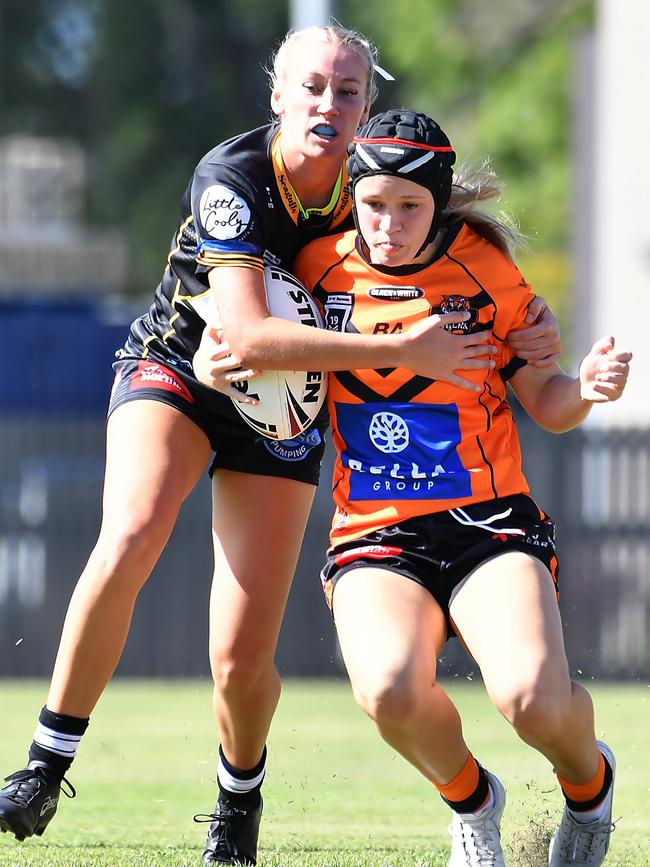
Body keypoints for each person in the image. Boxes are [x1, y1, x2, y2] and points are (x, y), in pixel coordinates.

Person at [0, 26, 559, 867]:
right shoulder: (232, 177)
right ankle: (46, 763)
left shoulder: (375, 185)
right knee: (133, 531)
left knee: (240, 649)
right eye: (311, 87)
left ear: (369, 105)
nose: (327, 105)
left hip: (288, 403)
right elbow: (251, 336)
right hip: (184, 369)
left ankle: (237, 802)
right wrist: (401, 351)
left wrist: (531, 323)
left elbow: (450, 252)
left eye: (346, 91)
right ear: (276, 95)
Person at [283, 110, 627, 867]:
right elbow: (255, 331)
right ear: (352, 196)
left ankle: (590, 783)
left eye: (409, 206)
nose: (388, 223)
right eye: (373, 203)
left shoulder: (485, 270)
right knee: (388, 690)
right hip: (374, 533)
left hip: (488, 522)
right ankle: (473, 802)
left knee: (532, 699)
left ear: (438, 203)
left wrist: (590, 389)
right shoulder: (312, 267)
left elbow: (547, 401)